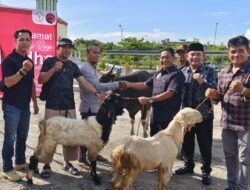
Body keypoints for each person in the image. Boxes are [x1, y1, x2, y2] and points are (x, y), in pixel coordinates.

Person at [38, 38, 104, 178]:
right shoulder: (49, 61)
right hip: (53, 105)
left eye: (69, 47)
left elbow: (83, 82)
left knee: (70, 136)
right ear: (58, 48)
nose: (67, 50)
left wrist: (96, 93)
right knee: (50, 136)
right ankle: (47, 164)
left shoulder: (73, 66)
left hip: (69, 106)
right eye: (64, 47)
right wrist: (54, 69)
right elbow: (41, 79)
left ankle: (67, 162)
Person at [206, 36, 250, 190]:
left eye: (240, 51)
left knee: (245, 159)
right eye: (233, 52)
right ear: (228, 53)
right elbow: (220, 96)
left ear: (248, 51)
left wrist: (243, 90)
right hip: (228, 122)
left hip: (247, 124)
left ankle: (243, 187)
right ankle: (232, 186)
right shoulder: (224, 72)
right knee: (230, 156)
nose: (236, 55)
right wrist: (213, 94)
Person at [78, 44, 127, 169]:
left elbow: (97, 86)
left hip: (95, 105)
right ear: (87, 54)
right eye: (94, 52)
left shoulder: (92, 68)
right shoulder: (86, 68)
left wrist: (107, 93)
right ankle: (82, 158)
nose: (97, 55)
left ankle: (93, 154)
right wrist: (117, 84)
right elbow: (97, 87)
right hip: (89, 106)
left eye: (98, 53)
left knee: (96, 134)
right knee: (87, 133)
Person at [175, 43, 217, 186]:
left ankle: (206, 171)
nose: (195, 57)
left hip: (203, 115)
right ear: (187, 56)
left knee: (205, 144)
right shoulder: (182, 72)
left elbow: (214, 92)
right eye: (192, 54)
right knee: (187, 141)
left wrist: (202, 82)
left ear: (203, 56)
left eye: (198, 54)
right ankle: (188, 165)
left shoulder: (210, 71)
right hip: (186, 115)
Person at [1, 29, 39, 182]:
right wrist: (23, 70)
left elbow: (31, 84)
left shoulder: (29, 60)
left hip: (25, 106)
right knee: (10, 138)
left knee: (22, 136)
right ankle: (7, 168)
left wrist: (35, 103)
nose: (24, 42)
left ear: (31, 41)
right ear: (15, 41)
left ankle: (19, 162)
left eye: (27, 39)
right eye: (21, 39)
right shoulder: (9, 60)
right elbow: (8, 83)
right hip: (11, 105)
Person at [126, 48, 185, 136]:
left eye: (167, 57)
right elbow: (145, 85)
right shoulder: (158, 73)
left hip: (169, 117)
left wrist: (149, 99)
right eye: (162, 57)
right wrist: (128, 84)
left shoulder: (177, 74)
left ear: (173, 58)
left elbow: (170, 93)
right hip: (155, 115)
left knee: (167, 143)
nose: (164, 60)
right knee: (154, 140)